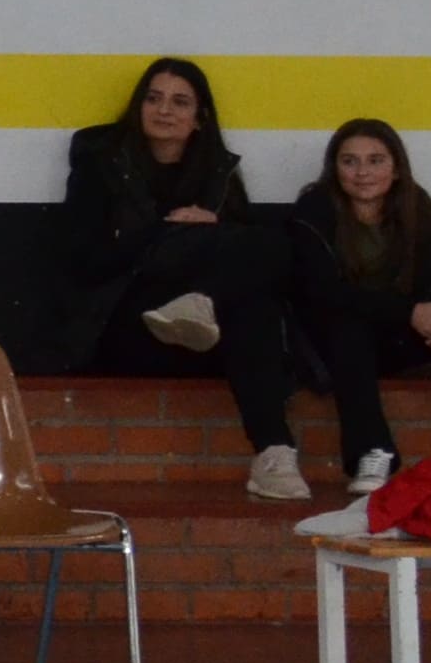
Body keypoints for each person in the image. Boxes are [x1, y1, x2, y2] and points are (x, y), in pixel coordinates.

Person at [61, 57, 316, 499]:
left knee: (263, 278)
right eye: (154, 98)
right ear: (138, 107)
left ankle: (273, 453)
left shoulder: (217, 173)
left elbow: (259, 262)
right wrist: (168, 232)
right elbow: (84, 263)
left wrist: (214, 227)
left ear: (199, 118)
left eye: (180, 102)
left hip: (204, 339)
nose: (165, 110)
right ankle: (273, 444)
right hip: (128, 327)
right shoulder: (100, 168)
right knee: (222, 253)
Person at [276, 120, 431, 496]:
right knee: (350, 327)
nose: (363, 172)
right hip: (332, 344)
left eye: (375, 160)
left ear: (396, 168)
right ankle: (371, 452)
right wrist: (410, 313)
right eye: (350, 161)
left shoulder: (422, 210)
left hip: (403, 337)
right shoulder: (314, 212)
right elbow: (324, 294)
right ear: (335, 169)